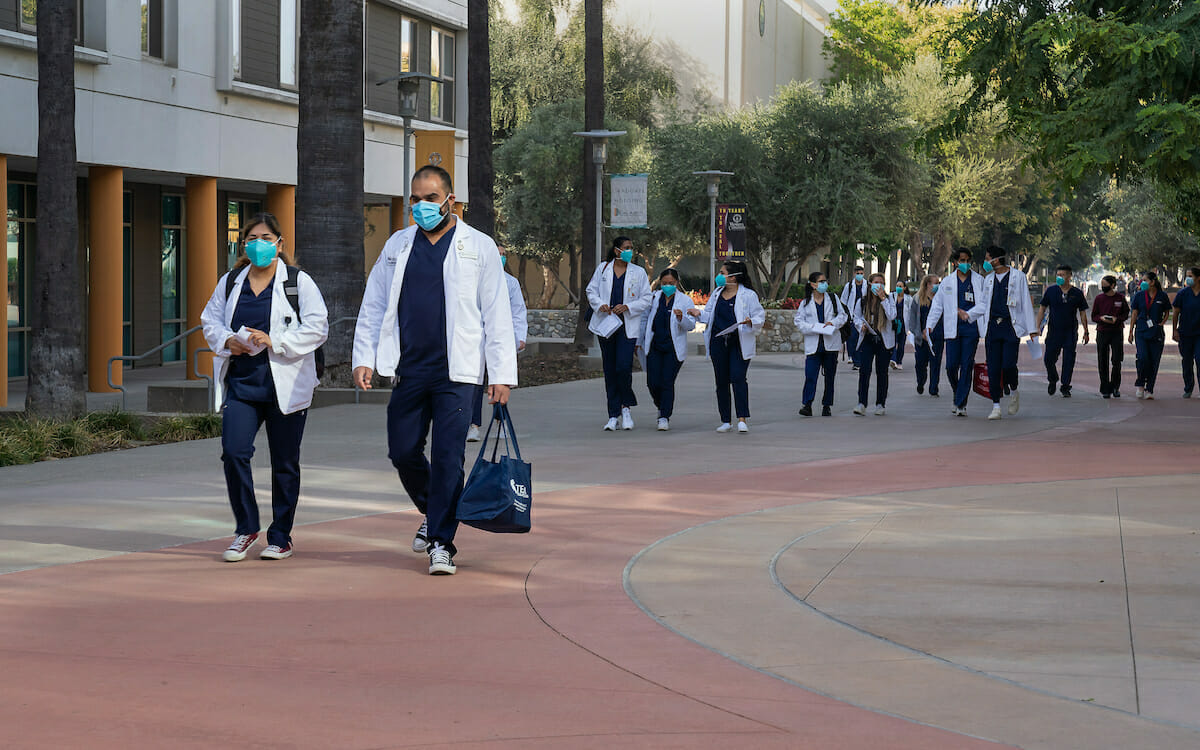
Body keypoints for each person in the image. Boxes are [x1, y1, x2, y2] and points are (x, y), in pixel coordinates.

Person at [352, 165, 517, 576]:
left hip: (458, 374)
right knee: (402, 450)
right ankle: (436, 509)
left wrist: (500, 373)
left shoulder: (478, 246)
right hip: (409, 369)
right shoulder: (397, 245)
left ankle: (441, 541)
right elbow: (374, 305)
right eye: (415, 198)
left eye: (430, 198)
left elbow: (497, 313)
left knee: (448, 457)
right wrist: (363, 357)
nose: (421, 206)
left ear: (450, 201)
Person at [201, 212, 329, 562]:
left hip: (285, 386)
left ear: (279, 244)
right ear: (244, 245)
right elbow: (209, 320)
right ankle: (246, 529)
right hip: (243, 384)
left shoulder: (298, 282)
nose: (259, 245)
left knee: (285, 463)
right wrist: (229, 340)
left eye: (266, 239)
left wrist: (276, 341)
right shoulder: (231, 282)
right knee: (234, 452)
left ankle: (281, 536)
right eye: (253, 239)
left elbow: (318, 327)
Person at [688, 260, 765, 432]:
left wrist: (751, 321)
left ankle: (742, 419)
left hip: (738, 342)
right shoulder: (716, 293)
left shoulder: (748, 295)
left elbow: (760, 316)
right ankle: (725, 420)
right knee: (721, 381)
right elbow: (709, 315)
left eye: (723, 273)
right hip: (718, 342)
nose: (719, 276)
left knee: (738, 378)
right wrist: (698, 313)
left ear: (734, 277)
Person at [585, 236, 652, 431]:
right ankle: (613, 414)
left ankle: (626, 408)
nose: (630, 251)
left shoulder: (638, 273)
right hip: (607, 324)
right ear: (616, 250)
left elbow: (646, 298)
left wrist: (628, 306)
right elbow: (591, 291)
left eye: (631, 247)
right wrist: (600, 305)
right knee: (610, 369)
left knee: (623, 367)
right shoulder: (603, 268)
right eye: (626, 248)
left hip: (627, 325)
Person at [468, 245, 528, 441]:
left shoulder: (510, 283)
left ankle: (501, 423)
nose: (501, 258)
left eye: (504, 255)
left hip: (500, 338)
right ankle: (473, 425)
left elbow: (518, 311)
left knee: (499, 382)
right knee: (475, 384)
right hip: (477, 338)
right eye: (498, 254)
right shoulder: (475, 280)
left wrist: (520, 336)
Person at [978, 246, 1038, 420]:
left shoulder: (1017, 277)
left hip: (1011, 327)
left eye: (987, 258)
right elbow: (983, 304)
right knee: (994, 368)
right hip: (993, 328)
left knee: (1008, 365)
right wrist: (968, 314)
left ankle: (1014, 390)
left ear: (995, 260)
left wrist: (1032, 329)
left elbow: (1026, 303)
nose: (985, 262)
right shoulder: (988, 280)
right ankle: (996, 405)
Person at [926, 248, 985, 416]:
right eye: (962, 260)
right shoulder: (947, 282)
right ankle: (957, 391)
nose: (965, 264)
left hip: (970, 328)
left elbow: (984, 303)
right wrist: (929, 325)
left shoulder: (978, 281)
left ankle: (961, 403)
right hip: (953, 329)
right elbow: (938, 305)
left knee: (966, 365)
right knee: (951, 366)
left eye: (967, 260)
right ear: (955, 262)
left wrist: (969, 314)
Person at [637, 268, 697, 431]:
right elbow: (644, 319)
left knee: (667, 382)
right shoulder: (654, 298)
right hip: (655, 346)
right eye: (664, 283)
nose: (668, 286)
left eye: (671, 283)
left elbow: (691, 325)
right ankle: (661, 405)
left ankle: (664, 416)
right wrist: (638, 341)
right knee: (652, 382)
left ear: (677, 283)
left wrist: (681, 318)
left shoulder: (684, 301)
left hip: (673, 348)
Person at [794, 271, 847, 417]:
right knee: (811, 375)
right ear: (813, 284)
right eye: (821, 281)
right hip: (814, 344)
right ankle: (807, 404)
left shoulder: (833, 298)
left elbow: (843, 316)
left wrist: (833, 323)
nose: (824, 284)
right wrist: (812, 327)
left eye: (825, 281)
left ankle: (827, 405)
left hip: (830, 343)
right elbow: (798, 321)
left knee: (830, 376)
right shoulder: (806, 302)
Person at [1036, 264, 1090, 398]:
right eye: (1058, 275)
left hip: (1070, 331)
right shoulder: (1051, 291)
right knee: (1049, 358)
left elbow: (1082, 312)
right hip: (1054, 330)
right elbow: (1042, 308)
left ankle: (1065, 385)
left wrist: (1086, 331)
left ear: (1069, 276)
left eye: (1063, 275)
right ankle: (1052, 378)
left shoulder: (1076, 293)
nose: (1059, 277)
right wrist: (1037, 326)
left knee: (1069, 359)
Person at [851, 273, 898, 416]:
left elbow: (892, 316)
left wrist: (883, 299)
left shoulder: (889, 298)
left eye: (882, 282)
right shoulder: (863, 301)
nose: (879, 285)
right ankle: (861, 403)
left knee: (882, 373)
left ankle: (880, 404)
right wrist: (861, 326)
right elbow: (856, 317)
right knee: (864, 371)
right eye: (876, 282)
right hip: (868, 338)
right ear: (870, 284)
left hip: (883, 340)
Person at [1128, 271, 1170, 399]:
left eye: (1145, 280)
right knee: (1142, 358)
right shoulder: (1139, 295)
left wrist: (1162, 322)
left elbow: (1167, 311)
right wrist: (1130, 331)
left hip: (1156, 332)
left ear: (1152, 282)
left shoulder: (1162, 296)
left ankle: (1149, 389)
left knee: (1154, 360)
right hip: (1141, 330)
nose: (1143, 282)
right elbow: (1134, 313)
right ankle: (1140, 383)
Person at [1091, 275, 1129, 399]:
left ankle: (1115, 387)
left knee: (1117, 360)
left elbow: (1125, 313)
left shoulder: (1121, 298)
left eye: (1105, 285)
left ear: (1112, 285)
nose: (1103, 287)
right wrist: (1101, 318)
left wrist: (1117, 319)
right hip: (1102, 331)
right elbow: (1094, 316)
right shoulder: (1099, 298)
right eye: (1102, 285)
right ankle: (1105, 388)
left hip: (1116, 331)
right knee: (1102, 360)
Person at [906, 274, 943, 397]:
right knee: (920, 363)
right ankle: (921, 382)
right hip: (921, 337)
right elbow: (912, 319)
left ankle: (934, 388)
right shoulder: (917, 299)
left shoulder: (940, 299)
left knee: (935, 363)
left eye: (938, 283)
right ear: (928, 284)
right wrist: (918, 333)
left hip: (937, 335)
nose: (937, 285)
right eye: (935, 283)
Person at [1172, 267, 1200, 398]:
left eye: (1190, 276)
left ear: (1198, 278)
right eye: (1187, 275)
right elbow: (1176, 313)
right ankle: (1188, 387)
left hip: (1199, 334)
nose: (1188, 278)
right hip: (1185, 333)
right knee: (1187, 361)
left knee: (1199, 359)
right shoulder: (1183, 294)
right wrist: (1174, 330)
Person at [839, 265, 869, 369]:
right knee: (852, 338)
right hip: (851, 315)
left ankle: (858, 361)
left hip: (863, 315)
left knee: (860, 338)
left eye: (861, 274)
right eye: (857, 274)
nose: (859, 276)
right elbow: (843, 301)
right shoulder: (849, 286)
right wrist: (845, 315)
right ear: (854, 274)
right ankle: (852, 356)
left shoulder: (867, 285)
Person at [890, 280, 908, 370]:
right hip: (894, 322)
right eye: (897, 286)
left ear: (904, 288)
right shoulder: (891, 296)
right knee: (893, 341)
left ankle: (899, 361)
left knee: (901, 344)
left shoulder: (908, 299)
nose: (898, 288)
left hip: (903, 323)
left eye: (900, 286)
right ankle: (893, 359)